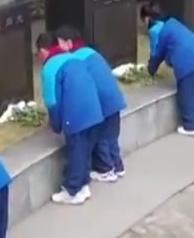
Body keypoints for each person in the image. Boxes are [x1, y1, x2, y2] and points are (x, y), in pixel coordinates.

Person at [36, 31, 104, 205]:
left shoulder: (50, 67)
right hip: (95, 109)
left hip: (76, 114)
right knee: (86, 150)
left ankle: (72, 190)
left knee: (75, 152)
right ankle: (83, 186)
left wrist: (56, 125)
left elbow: (52, 101)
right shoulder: (73, 57)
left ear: (42, 51)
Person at [55, 25, 127, 182]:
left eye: (60, 43)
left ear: (68, 43)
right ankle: (118, 165)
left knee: (101, 138)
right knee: (112, 136)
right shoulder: (91, 52)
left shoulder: (74, 59)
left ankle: (105, 170)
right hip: (114, 97)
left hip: (101, 100)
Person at [141, 2, 194, 136]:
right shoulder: (172, 22)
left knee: (186, 94)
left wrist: (151, 70)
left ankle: (191, 126)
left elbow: (156, 53)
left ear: (147, 18)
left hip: (186, 62)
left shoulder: (156, 30)